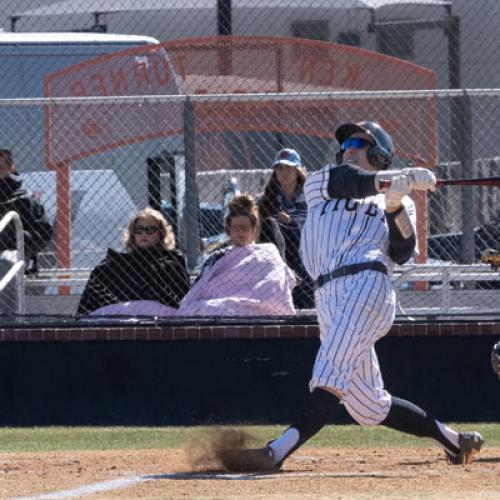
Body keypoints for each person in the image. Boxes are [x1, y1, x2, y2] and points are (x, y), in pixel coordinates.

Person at [219, 121, 484, 471]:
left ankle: (275, 452)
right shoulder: (319, 184)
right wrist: (391, 179)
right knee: (368, 406)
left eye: (360, 143)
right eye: (346, 143)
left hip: (367, 285)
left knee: (328, 373)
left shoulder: (401, 200)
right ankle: (455, 442)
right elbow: (349, 180)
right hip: (327, 295)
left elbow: (403, 252)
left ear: (379, 153)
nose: (349, 147)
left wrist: (393, 205)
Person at [177, 193, 296, 316]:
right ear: (229, 230)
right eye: (235, 228)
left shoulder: (268, 252)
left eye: (244, 227)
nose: (240, 232)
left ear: (254, 229)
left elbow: (275, 282)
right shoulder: (219, 256)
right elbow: (206, 286)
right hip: (223, 305)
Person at [77, 207, 190, 315]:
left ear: (160, 233)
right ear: (133, 233)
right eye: (139, 230)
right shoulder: (115, 265)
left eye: (150, 230)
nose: (143, 234)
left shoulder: (172, 261)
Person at [258, 148, 314, 309]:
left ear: (298, 170)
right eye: (279, 168)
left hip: (305, 253)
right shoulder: (267, 200)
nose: (283, 172)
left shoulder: (310, 197)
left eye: (288, 167)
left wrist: (291, 224)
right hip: (277, 255)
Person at [0, 149, 52, 271]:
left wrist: (15, 237)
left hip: (14, 254)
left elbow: (42, 234)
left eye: (1, 167)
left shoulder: (26, 198)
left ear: (11, 169)